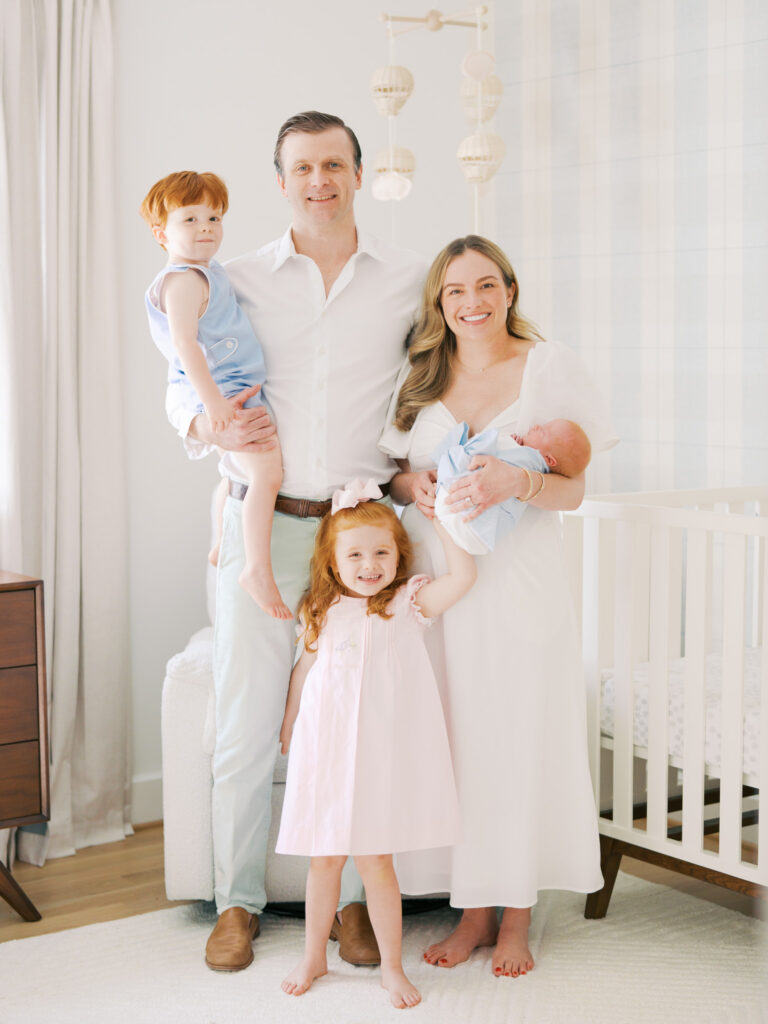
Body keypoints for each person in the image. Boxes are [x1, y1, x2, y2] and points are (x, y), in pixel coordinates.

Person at [164, 112, 426, 971]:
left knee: (351, 722)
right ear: (279, 181)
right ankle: (236, 901)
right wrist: (203, 420)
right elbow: (181, 376)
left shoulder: (404, 279)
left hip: (359, 538)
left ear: (357, 173)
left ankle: (352, 905)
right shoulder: (231, 277)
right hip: (261, 521)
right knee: (245, 721)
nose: (320, 181)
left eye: (334, 165)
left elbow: (423, 390)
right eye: (302, 168)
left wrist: (417, 470)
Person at [380, 235, 618, 979]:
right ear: (438, 303)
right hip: (444, 585)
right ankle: (471, 909)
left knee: (516, 741)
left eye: (486, 286)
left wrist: (519, 486)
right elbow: (391, 472)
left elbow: (575, 487)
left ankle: (516, 917)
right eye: (455, 291)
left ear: (510, 291)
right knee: (457, 742)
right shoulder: (420, 374)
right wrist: (409, 487)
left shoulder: (549, 367)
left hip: (520, 582)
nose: (472, 302)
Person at [277, 481, 476, 1008]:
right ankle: (314, 953)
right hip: (326, 755)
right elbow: (305, 670)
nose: (370, 564)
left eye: (382, 551)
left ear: (398, 556)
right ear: (333, 561)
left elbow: (465, 577)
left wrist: (439, 519)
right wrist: (289, 722)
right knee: (323, 862)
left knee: (376, 864)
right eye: (356, 554)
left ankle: (392, 967)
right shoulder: (320, 609)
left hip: (379, 762)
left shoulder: (408, 604)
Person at [141, 171, 291, 620]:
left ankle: (224, 542)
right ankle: (256, 569)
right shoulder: (182, 280)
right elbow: (185, 346)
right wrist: (214, 406)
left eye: (214, 217)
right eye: (190, 219)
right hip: (224, 390)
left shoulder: (211, 271)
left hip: (232, 386)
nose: (206, 227)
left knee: (236, 474)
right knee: (267, 475)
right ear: (161, 232)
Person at [433, 418, 591, 554]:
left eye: (543, 432)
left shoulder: (531, 460)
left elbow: (494, 456)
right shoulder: (526, 456)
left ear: (549, 460)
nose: (536, 426)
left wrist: (509, 444)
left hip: (468, 520)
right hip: (480, 537)